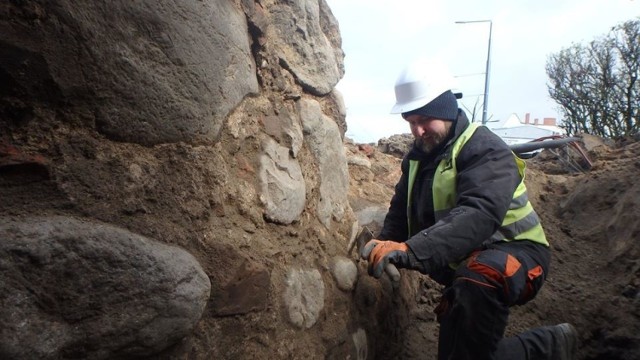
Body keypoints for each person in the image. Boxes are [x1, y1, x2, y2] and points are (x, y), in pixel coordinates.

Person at [360, 59, 577, 360]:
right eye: (411, 121)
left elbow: (479, 214)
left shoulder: (485, 148)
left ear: (446, 110)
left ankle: (545, 347)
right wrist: (385, 243)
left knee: (480, 274)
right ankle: (552, 345)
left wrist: (411, 250)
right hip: (465, 270)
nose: (418, 130)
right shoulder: (418, 159)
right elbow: (399, 212)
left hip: (519, 256)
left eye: (425, 119)